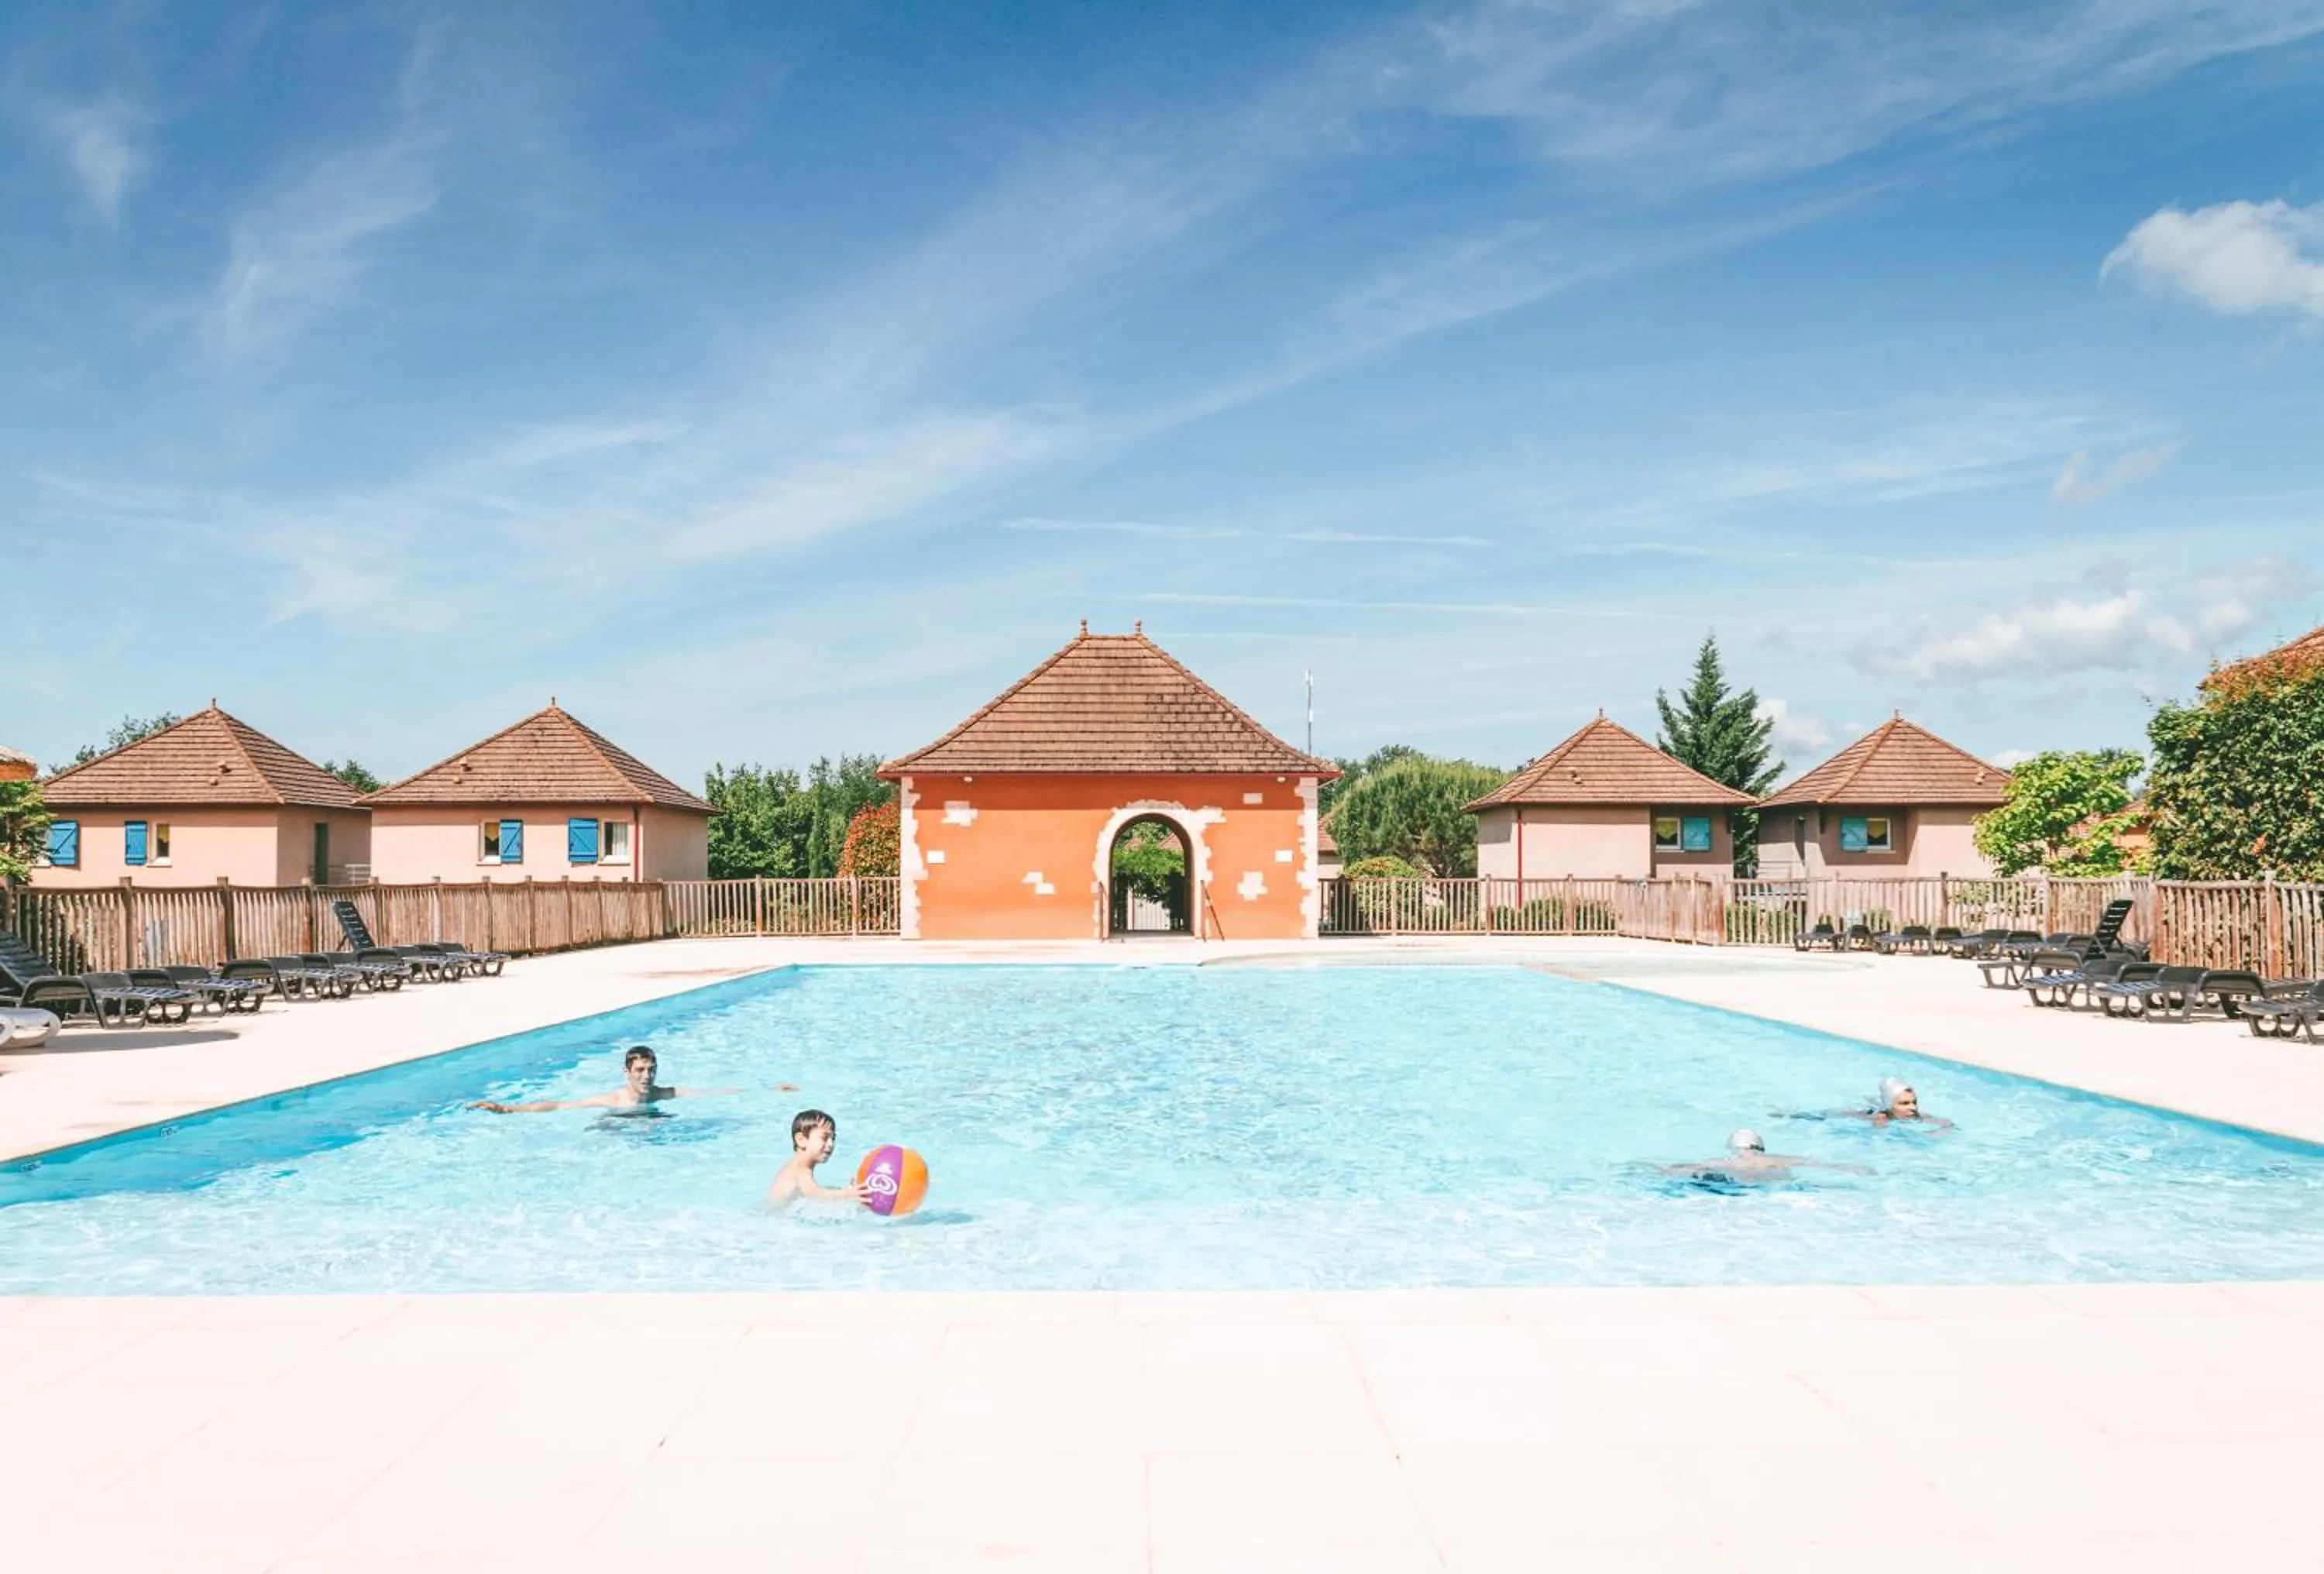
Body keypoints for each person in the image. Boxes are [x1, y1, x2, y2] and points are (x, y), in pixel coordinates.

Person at [469, 1045, 785, 1114]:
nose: (647, 1077)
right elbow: (559, 1105)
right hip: (617, 1126)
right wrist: (510, 1109)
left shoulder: (664, 1095)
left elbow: (714, 1092)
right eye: (640, 1071)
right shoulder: (613, 1100)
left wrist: (769, 1089)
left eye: (651, 1070)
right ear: (627, 1072)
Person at [1662, 1128, 1870, 1187]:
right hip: (1770, 1183)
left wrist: (1665, 1170)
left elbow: (1682, 1168)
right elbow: (1816, 1164)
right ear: (1761, 1147)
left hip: (1733, 1180)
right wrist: (1849, 1168)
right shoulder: (1776, 1159)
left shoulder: (1723, 1161)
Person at [765, 1108, 867, 1208]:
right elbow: (816, 1195)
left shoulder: (797, 1167)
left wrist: (845, 1190)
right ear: (801, 1140)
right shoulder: (799, 1171)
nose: (831, 1144)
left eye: (833, 1138)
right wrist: (847, 1194)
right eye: (824, 1138)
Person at [1865, 1077, 1954, 1130]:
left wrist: (1934, 1134)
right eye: (1905, 1103)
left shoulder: (1917, 1115)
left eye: (1914, 1102)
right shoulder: (1877, 1118)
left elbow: (1948, 1124)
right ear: (1889, 1107)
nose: (1913, 1108)